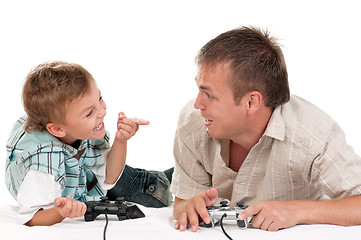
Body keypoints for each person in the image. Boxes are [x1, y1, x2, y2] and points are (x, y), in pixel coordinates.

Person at [171, 26, 361, 232]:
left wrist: (296, 211)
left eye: (209, 94)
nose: (198, 104)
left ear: (251, 102)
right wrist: (189, 206)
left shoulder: (313, 135)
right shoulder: (193, 120)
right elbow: (180, 202)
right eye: (199, 89)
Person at [5, 61, 172, 226]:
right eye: (89, 113)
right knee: (154, 187)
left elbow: (110, 175)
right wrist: (60, 212)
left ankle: (185, 176)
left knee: (154, 190)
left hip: (89, 177)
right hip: (87, 182)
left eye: (100, 99)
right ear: (57, 129)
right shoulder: (42, 168)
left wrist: (120, 140)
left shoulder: (75, 127)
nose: (102, 112)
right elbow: (31, 218)